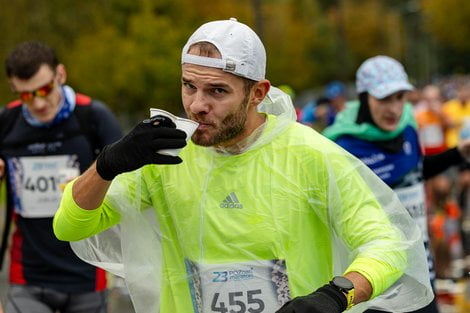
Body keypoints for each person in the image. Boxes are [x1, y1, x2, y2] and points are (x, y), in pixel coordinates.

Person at [53, 19, 433, 313]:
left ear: (258, 93)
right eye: (189, 86)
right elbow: (70, 225)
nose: (197, 105)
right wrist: (107, 165)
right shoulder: (164, 155)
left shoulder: (311, 154)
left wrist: (337, 295)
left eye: (217, 91)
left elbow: (389, 244)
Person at [323, 55, 470, 313]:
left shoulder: (408, 128)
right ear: (364, 98)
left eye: (400, 97)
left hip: (420, 269)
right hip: (377, 280)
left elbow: (414, 171)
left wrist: (458, 153)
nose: (394, 109)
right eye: (384, 99)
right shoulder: (342, 145)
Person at [0, 41, 123, 313]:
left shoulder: (92, 116)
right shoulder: (6, 122)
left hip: (88, 274)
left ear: (61, 75)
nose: (39, 103)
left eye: (44, 90)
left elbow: (130, 182)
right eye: (26, 96)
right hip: (28, 277)